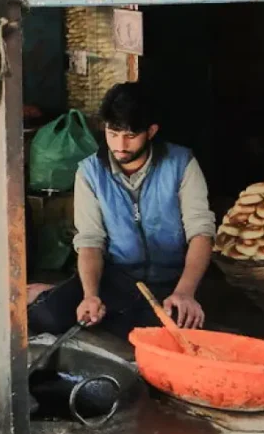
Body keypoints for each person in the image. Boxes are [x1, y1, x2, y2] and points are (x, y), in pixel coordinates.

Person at [28, 83, 215, 340]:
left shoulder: (181, 163)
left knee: (176, 331)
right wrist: (91, 295)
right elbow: (91, 241)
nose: (120, 145)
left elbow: (201, 232)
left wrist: (185, 291)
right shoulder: (90, 172)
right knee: (46, 316)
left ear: (151, 131)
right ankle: (54, 294)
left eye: (130, 135)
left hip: (170, 281)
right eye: (113, 133)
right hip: (115, 277)